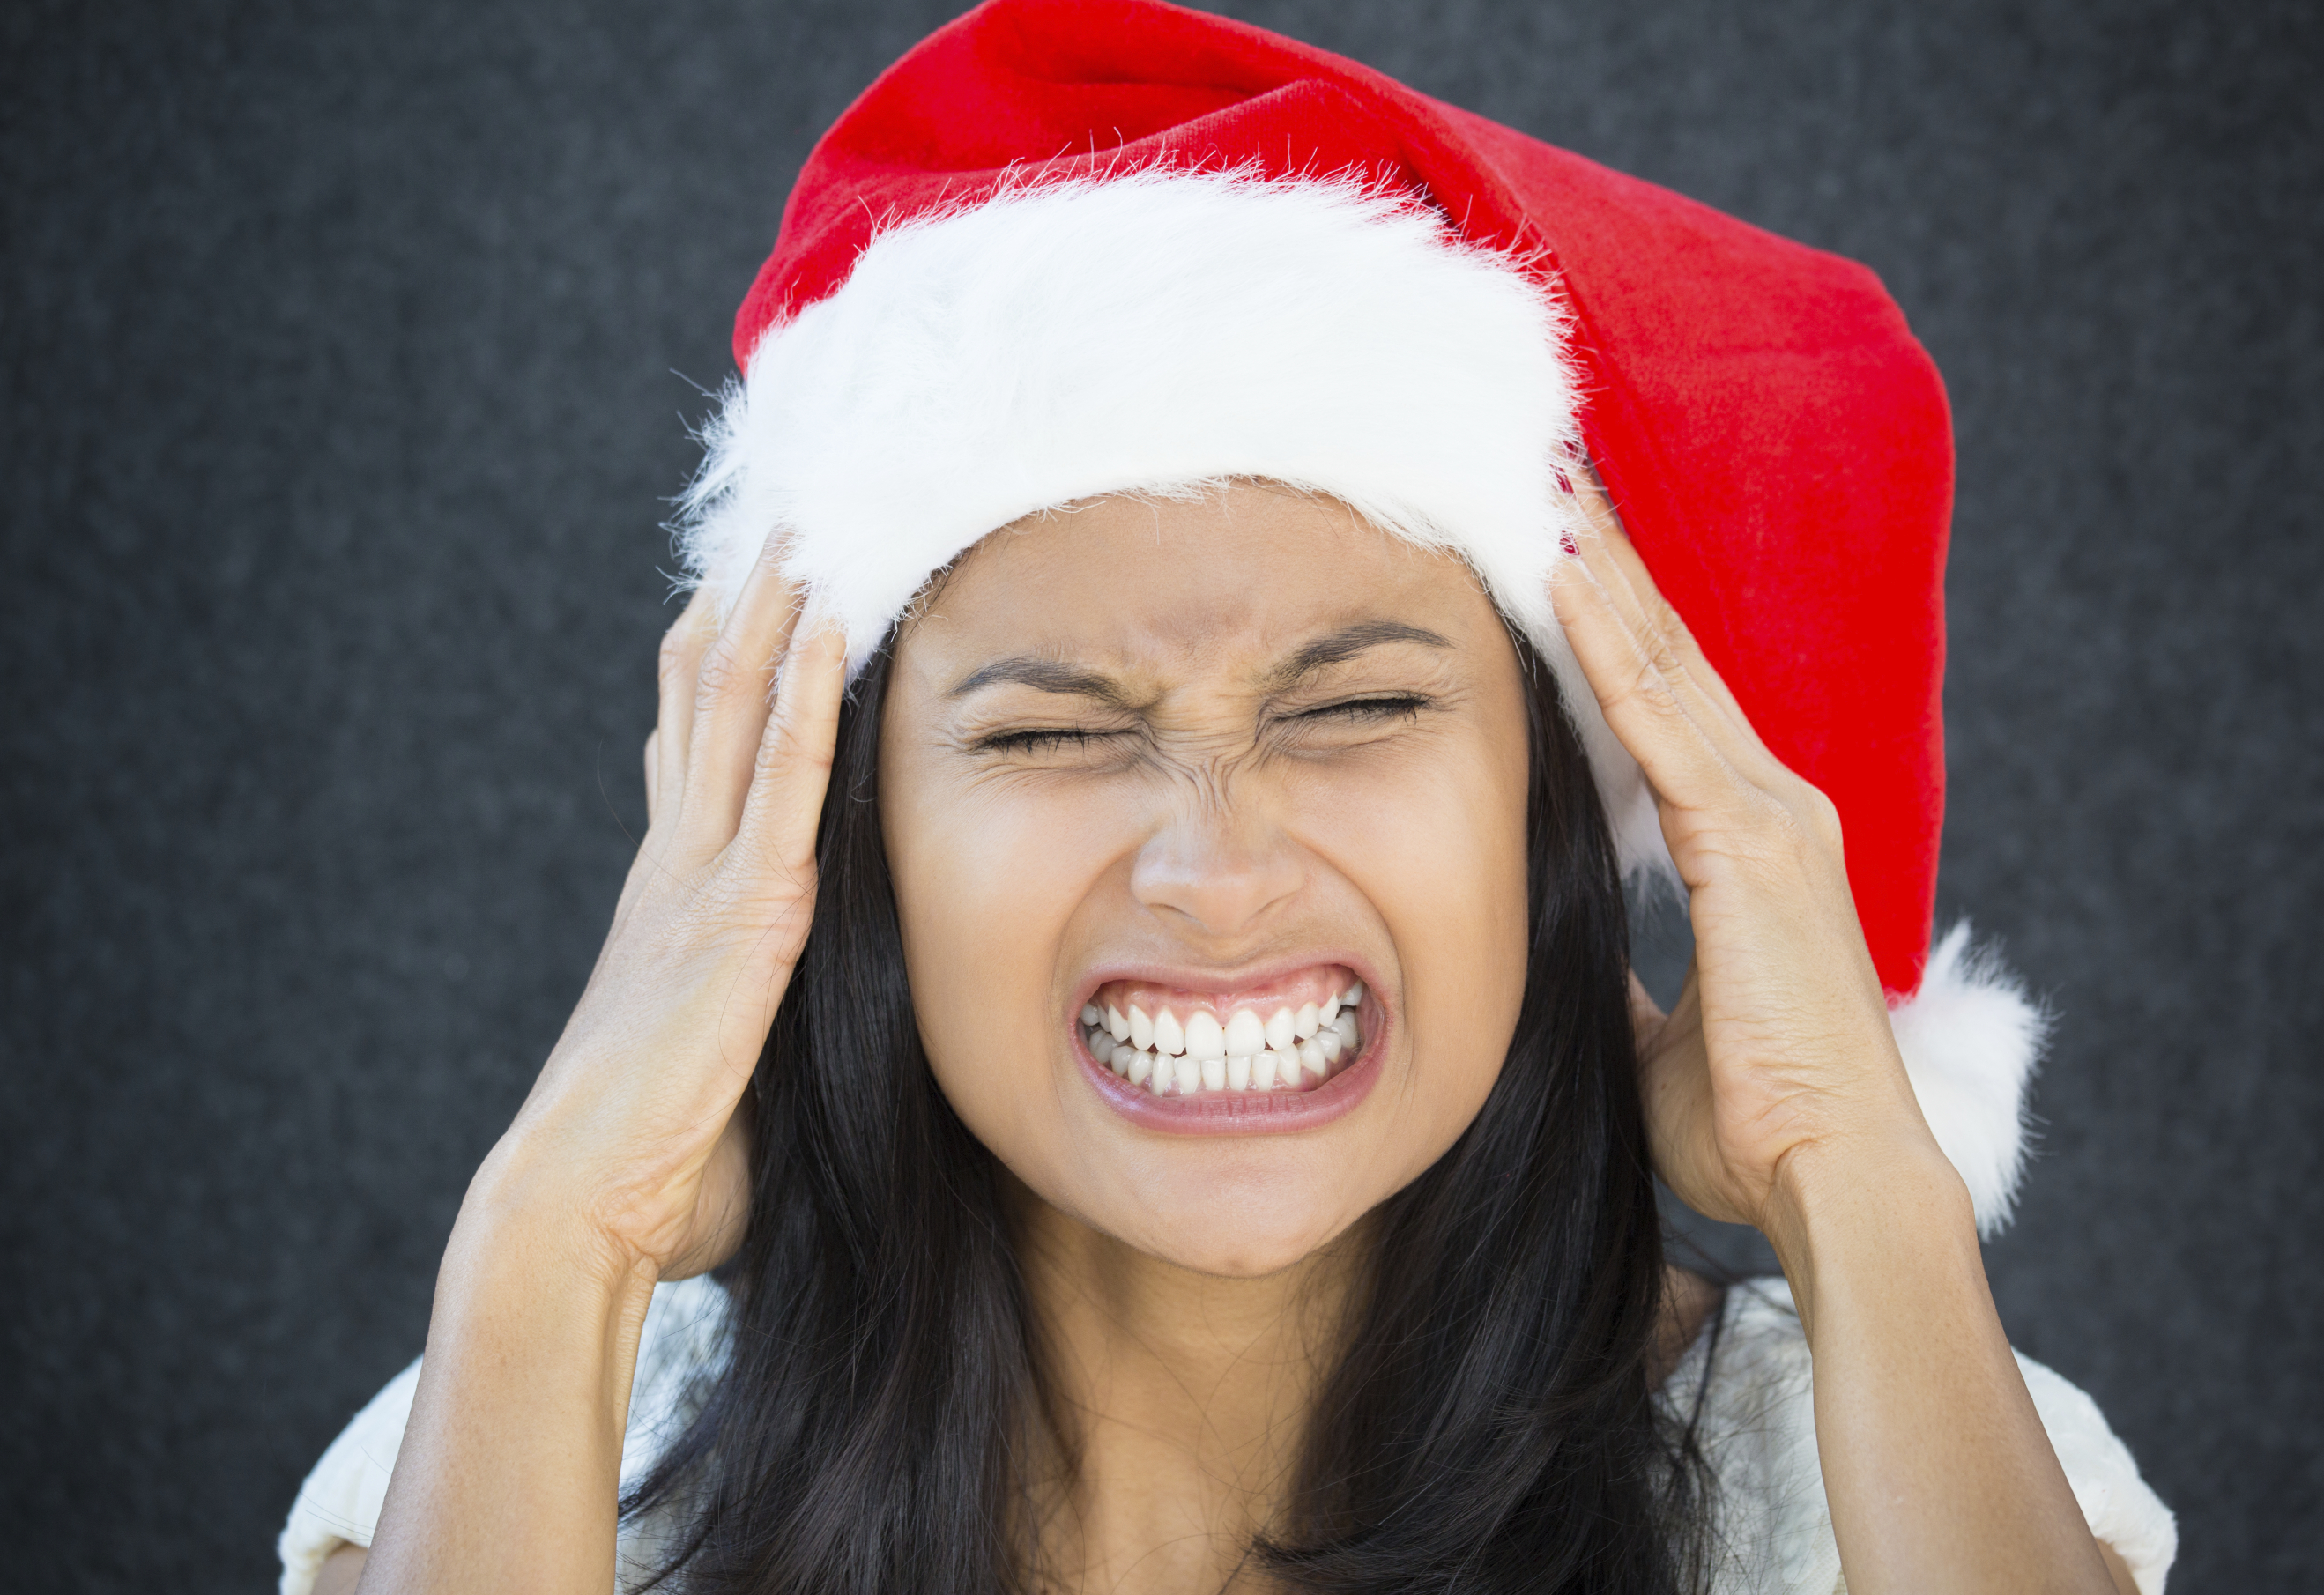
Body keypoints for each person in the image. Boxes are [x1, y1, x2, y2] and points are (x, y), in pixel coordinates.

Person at [279, 3, 2175, 1591]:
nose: (1212, 867)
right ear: (845, 858)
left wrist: (1859, 1172)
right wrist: (552, 1227)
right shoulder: (536, 1459)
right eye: (1043, 734)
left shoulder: (1873, 1478)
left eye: (1350, 704)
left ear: (1542, 817)